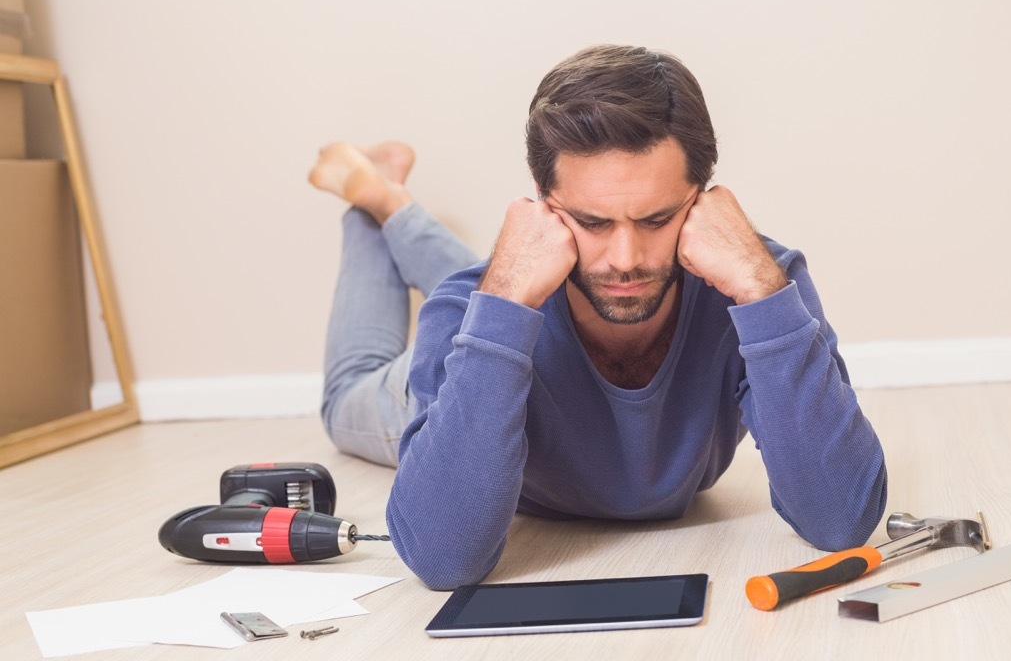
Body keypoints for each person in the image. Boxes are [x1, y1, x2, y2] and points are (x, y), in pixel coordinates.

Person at [308, 44, 887, 590]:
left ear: (703, 199)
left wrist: (762, 293)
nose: (627, 259)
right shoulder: (470, 309)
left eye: (658, 220)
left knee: (548, 279)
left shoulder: (759, 280)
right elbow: (442, 556)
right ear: (543, 202)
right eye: (592, 223)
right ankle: (376, 202)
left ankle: (394, 201)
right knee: (348, 395)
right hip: (469, 400)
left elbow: (840, 519)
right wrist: (504, 300)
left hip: (524, 307)